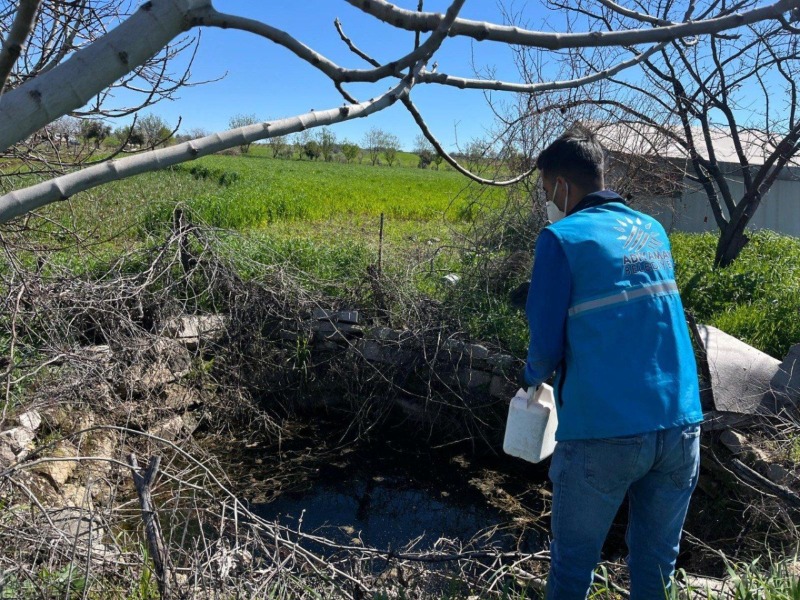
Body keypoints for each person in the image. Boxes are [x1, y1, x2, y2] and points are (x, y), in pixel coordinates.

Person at [520, 124, 703, 599]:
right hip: (680, 424)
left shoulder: (561, 238)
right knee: (655, 564)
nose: (547, 200)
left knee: (572, 567)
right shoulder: (652, 230)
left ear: (562, 185)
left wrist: (531, 381)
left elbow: (543, 347)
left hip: (604, 431)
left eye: (546, 190)